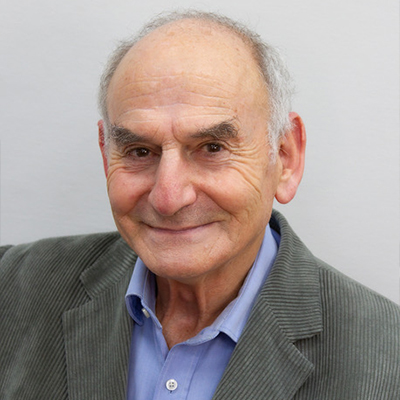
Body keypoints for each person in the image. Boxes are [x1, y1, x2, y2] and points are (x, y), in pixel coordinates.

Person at [0, 10, 399, 400]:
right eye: (140, 151)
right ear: (107, 157)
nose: (169, 197)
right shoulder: (12, 288)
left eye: (212, 148)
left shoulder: (387, 361)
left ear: (285, 157)